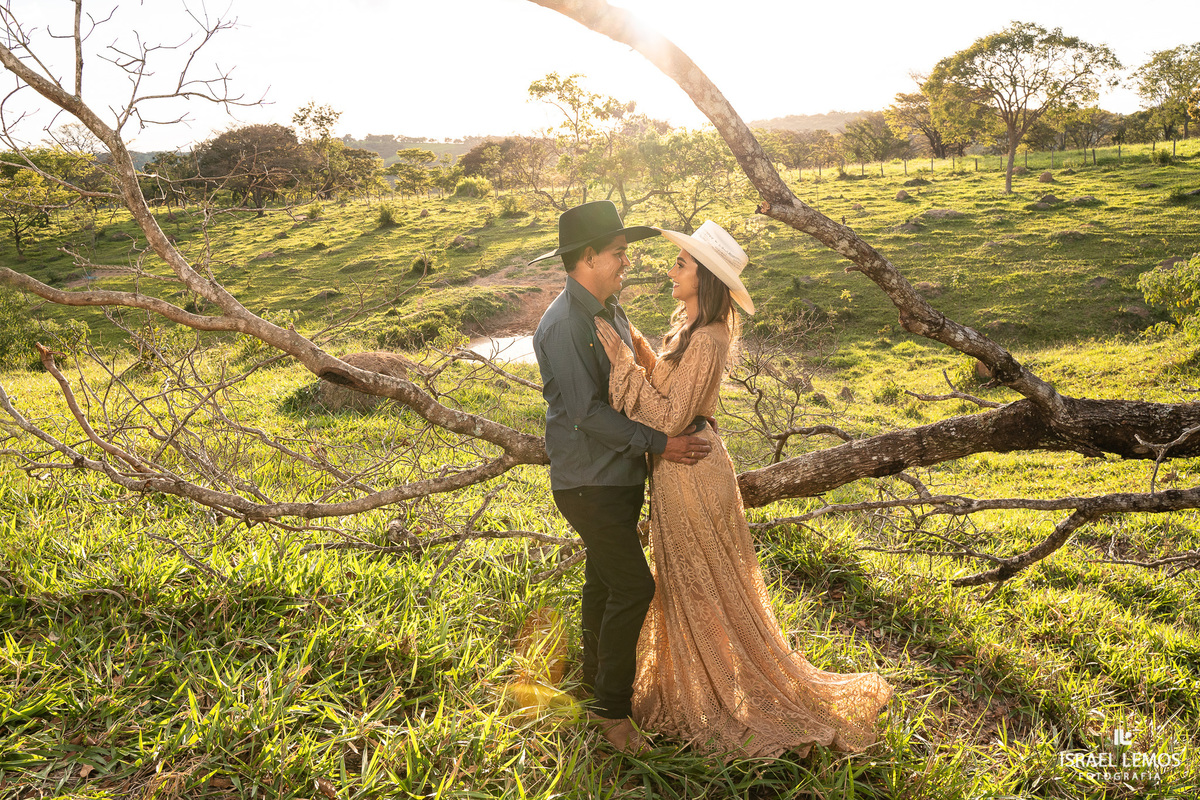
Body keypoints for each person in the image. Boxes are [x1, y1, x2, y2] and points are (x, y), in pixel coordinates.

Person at [594, 220, 892, 759]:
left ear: (705, 278)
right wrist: (635, 344)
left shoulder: (709, 338)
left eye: (681, 264)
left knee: (703, 582)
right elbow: (670, 387)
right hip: (679, 469)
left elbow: (670, 415)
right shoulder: (692, 330)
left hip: (692, 470)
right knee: (690, 579)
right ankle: (704, 685)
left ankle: (720, 693)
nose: (671, 270)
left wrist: (621, 362)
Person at [529, 201, 713, 752]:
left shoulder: (608, 311)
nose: (626, 262)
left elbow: (635, 384)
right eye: (618, 253)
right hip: (589, 483)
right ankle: (611, 713)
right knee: (635, 586)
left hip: (617, 476)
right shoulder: (566, 323)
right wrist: (663, 444)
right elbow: (587, 413)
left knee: (606, 582)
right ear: (588, 257)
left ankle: (593, 685)